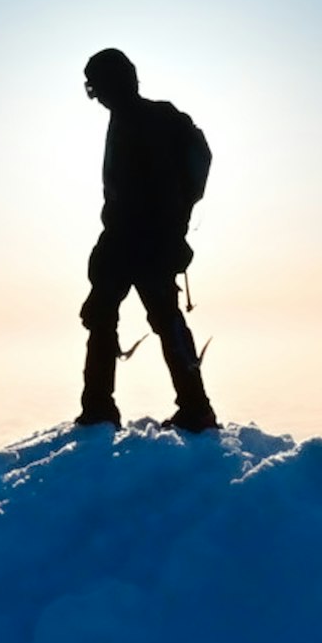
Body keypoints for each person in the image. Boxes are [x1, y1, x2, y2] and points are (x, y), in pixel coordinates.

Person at [76, 48, 217, 431]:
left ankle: (100, 411)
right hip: (148, 242)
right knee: (160, 319)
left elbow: (143, 197)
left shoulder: (137, 123)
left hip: (136, 242)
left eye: (96, 88)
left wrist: (118, 251)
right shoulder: (154, 117)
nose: (96, 96)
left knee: (107, 317)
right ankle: (194, 407)